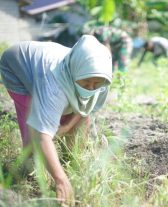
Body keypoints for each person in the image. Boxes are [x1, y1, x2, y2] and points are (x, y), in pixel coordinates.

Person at [0, 35, 112, 206]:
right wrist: (60, 179)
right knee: (33, 143)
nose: (91, 88)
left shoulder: (100, 78)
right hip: (17, 67)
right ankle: (24, 169)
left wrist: (67, 126)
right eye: (87, 82)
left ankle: (70, 160)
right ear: (76, 71)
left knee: (76, 123)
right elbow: (42, 134)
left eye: (95, 84)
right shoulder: (53, 85)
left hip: (47, 61)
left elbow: (85, 110)